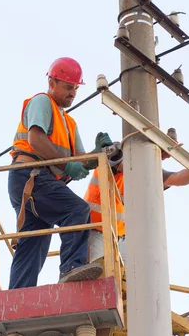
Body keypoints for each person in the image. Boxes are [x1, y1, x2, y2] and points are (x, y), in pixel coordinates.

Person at [7, 57, 113, 289]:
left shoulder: (69, 122)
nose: (72, 93)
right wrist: (67, 165)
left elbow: (79, 164)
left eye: (75, 88)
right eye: (68, 87)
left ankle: (19, 295)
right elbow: (36, 140)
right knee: (77, 209)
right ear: (52, 82)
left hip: (37, 181)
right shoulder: (42, 102)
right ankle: (71, 268)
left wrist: (98, 153)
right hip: (30, 175)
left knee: (34, 242)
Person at [83, 139, 189, 265]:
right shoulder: (113, 158)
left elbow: (177, 178)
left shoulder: (142, 172)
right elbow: (121, 157)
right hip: (95, 230)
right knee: (97, 275)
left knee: (130, 282)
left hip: (121, 238)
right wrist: (152, 147)